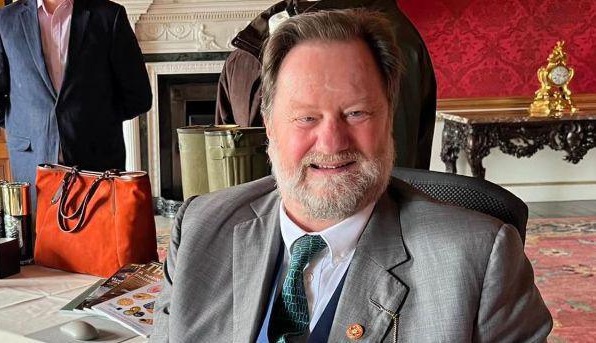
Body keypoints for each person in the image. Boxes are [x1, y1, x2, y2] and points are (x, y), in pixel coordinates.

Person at [152, 9, 551, 343]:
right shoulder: (201, 227)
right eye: (306, 117)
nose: (331, 142)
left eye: (356, 113)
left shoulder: (479, 259)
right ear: (269, 126)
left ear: (389, 119)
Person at [215, 0, 436, 169]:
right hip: (261, 222)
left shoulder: (390, 44)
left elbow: (395, 167)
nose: (332, 143)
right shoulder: (243, 55)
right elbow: (220, 162)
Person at [0, 0, 151, 188]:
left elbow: (139, 95)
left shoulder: (109, 16)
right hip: (31, 160)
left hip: (98, 159)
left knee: (99, 217)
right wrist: (28, 125)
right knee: (37, 219)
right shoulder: (5, 20)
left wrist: (95, 121)